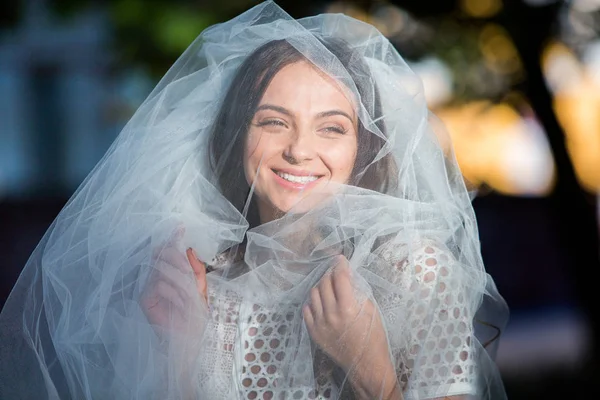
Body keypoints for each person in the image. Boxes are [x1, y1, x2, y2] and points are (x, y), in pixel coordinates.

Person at [0, 1, 509, 399]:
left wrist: (371, 373)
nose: (299, 149)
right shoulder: (204, 289)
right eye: (273, 121)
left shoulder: (414, 272)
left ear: (363, 149)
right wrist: (178, 359)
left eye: (331, 128)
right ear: (237, 135)